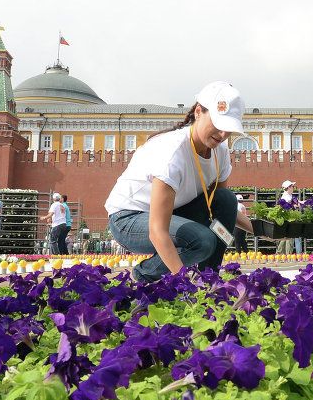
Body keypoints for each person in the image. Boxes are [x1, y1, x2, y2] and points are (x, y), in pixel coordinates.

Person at [104, 80, 252, 283]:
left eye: (229, 128)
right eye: (218, 124)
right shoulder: (172, 152)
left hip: (174, 213)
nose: (223, 134)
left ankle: (209, 279)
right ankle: (144, 275)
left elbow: (220, 209)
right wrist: (182, 284)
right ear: (198, 111)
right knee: (201, 241)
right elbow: (158, 231)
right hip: (129, 218)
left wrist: (264, 230)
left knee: (225, 199)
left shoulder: (221, 152)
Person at [275, 180, 297, 256]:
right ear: (288, 188)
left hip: (288, 219)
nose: (293, 188)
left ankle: (281, 253)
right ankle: (286, 254)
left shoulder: (289, 196)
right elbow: (288, 208)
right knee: (288, 237)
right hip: (288, 219)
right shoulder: (286, 197)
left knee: (285, 237)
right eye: (292, 186)